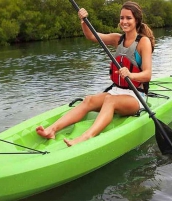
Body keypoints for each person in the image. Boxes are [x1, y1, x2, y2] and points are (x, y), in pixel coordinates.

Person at [36, 1, 155, 147]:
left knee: (110, 101)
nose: (124, 21)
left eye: (128, 18)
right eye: (122, 18)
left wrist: (131, 75)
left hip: (136, 96)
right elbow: (92, 36)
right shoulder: (118, 39)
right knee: (89, 100)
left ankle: (86, 137)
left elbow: (147, 74)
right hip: (117, 91)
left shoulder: (144, 42)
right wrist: (83, 21)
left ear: (136, 20)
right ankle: (51, 130)